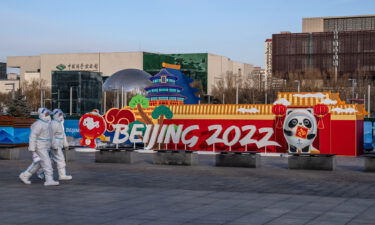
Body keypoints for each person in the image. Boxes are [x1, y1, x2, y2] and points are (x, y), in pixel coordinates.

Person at [19, 108, 59, 186]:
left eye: (48, 114)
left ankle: (25, 175)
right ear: (42, 115)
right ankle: (49, 180)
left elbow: (51, 136)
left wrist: (54, 146)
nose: (48, 115)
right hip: (40, 147)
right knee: (47, 162)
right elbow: (32, 136)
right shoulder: (38, 124)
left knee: (38, 164)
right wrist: (32, 149)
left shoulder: (48, 124)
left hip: (46, 147)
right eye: (46, 114)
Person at [50, 109, 72, 180]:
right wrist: (54, 145)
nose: (62, 116)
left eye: (61, 115)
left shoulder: (59, 123)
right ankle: (62, 175)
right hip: (55, 145)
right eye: (60, 115)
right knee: (60, 159)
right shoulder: (54, 124)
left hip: (58, 145)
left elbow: (63, 135)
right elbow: (51, 135)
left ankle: (41, 172)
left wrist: (65, 144)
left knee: (51, 160)